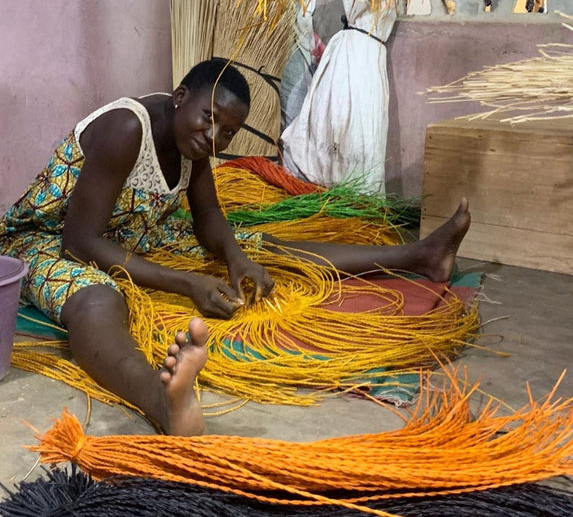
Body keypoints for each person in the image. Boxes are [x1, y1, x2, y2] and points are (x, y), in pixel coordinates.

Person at [0, 58, 471, 436]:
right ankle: (162, 402)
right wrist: (185, 282)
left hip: (133, 231)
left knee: (255, 245)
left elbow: (207, 217)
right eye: (209, 118)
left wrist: (236, 258)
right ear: (180, 97)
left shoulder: (195, 144)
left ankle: (419, 256)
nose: (214, 136)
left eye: (227, 131)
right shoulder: (127, 128)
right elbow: (80, 243)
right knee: (98, 297)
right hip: (47, 239)